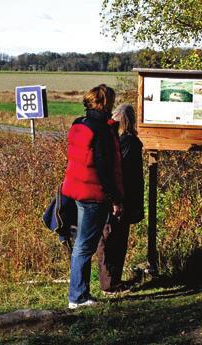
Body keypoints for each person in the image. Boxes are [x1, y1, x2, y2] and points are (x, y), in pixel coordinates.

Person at [61, 84, 124, 309]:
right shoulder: (102, 131)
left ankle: (80, 293)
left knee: (81, 243)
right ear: (106, 103)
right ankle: (77, 297)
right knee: (84, 246)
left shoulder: (79, 124)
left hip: (75, 190)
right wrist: (116, 199)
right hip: (93, 195)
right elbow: (104, 169)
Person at [97, 104, 144, 294]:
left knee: (111, 239)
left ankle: (112, 282)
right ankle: (109, 283)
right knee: (113, 240)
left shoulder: (115, 141)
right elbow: (125, 174)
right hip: (122, 199)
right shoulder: (129, 142)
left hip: (116, 197)